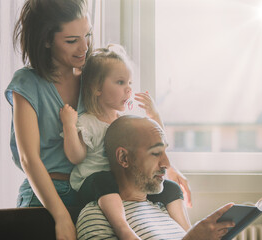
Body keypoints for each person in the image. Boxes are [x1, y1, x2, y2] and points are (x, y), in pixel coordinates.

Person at [59, 44, 191, 240]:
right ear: (96, 88)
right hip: (94, 183)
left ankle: (190, 232)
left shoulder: (124, 119)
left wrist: (154, 114)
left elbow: (155, 140)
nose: (128, 88)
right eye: (120, 82)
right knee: (104, 179)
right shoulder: (88, 122)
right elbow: (76, 156)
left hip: (125, 183)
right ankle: (122, 228)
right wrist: (69, 126)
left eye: (129, 82)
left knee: (170, 188)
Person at [4, 0, 92, 239]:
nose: (84, 47)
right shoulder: (27, 83)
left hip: (89, 194)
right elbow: (28, 158)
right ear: (46, 41)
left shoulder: (93, 77)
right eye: (72, 41)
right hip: (43, 197)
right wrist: (61, 217)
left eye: (87, 35)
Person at [76, 116, 235, 240]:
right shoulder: (96, 217)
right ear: (124, 158)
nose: (166, 163)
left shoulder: (164, 210)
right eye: (155, 153)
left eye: (165, 152)